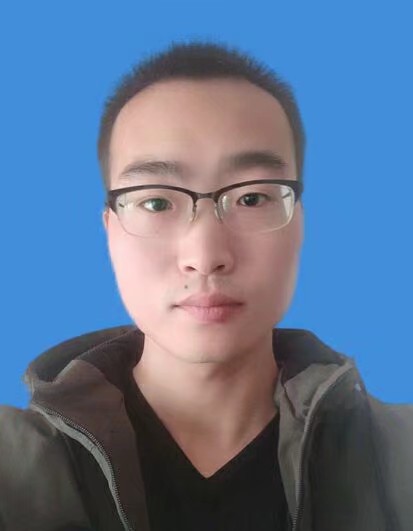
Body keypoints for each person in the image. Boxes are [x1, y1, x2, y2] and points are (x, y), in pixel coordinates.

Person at [0, 41, 412, 531]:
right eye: (156, 203)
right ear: (110, 230)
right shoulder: (13, 468)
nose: (205, 255)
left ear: (299, 223)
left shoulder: (399, 458)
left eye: (252, 198)